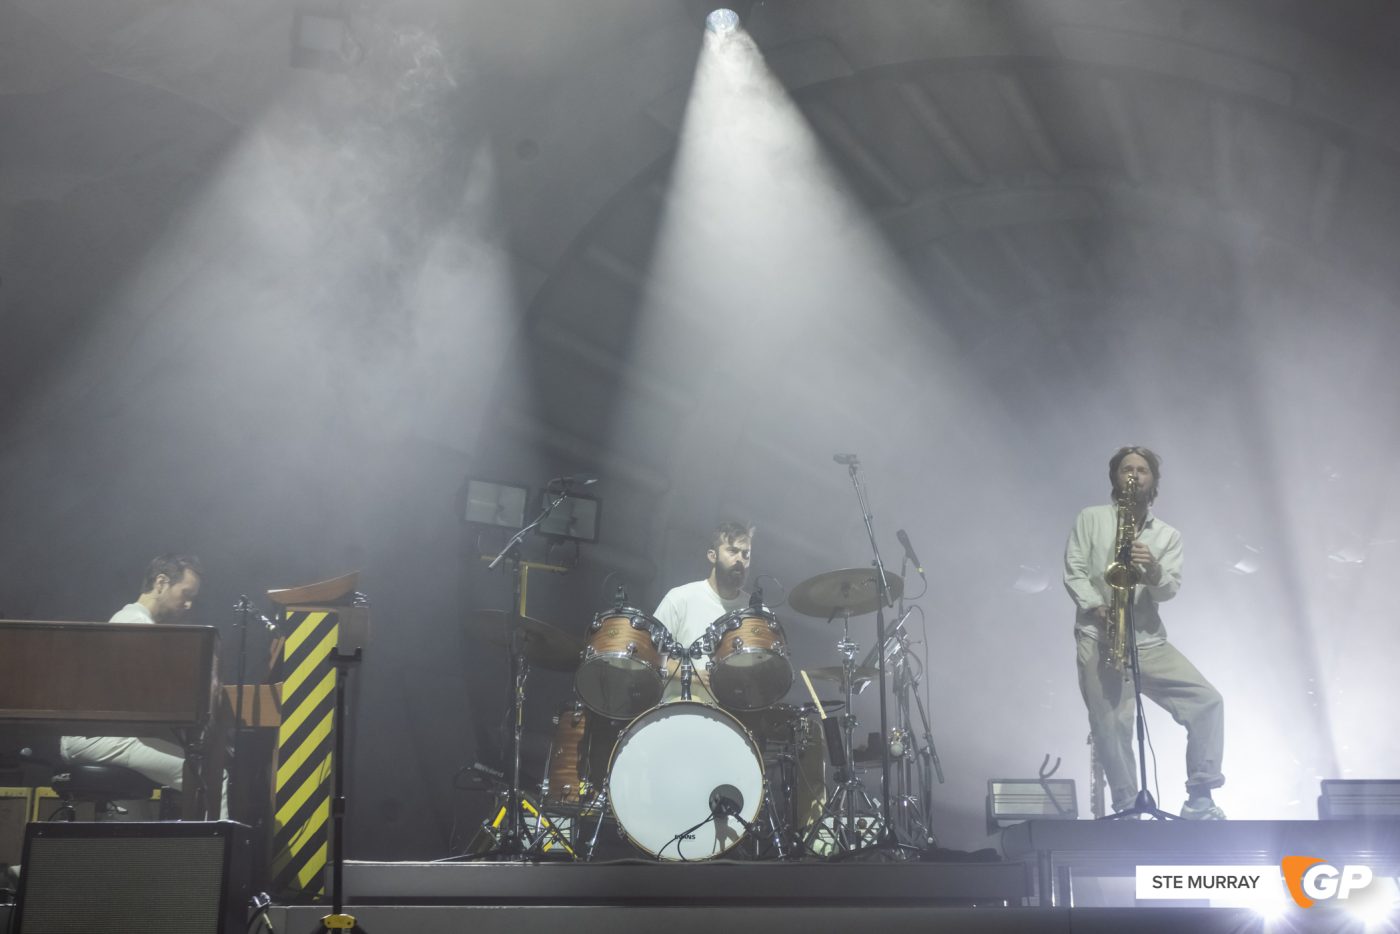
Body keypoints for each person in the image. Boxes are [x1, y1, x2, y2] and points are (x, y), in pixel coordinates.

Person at [1063, 447, 1226, 820]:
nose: (1133, 476)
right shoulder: (1090, 519)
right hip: (1099, 635)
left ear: (1153, 481)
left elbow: (1168, 592)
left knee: (1207, 702)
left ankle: (1200, 796)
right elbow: (1073, 569)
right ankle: (1127, 810)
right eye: (1126, 469)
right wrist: (1098, 607)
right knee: (1111, 724)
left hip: (1147, 640)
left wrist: (1152, 567)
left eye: (1142, 470)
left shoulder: (1168, 535)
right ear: (1115, 478)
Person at [61, 554, 203, 794]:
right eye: (185, 594)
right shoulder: (137, 624)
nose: (188, 605)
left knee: (192, 763)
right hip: (96, 738)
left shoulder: (133, 619)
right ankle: (207, 832)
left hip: (103, 735)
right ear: (161, 583)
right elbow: (153, 696)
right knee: (209, 776)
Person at [652, 520, 754, 703]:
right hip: (678, 713)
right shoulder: (680, 598)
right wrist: (693, 674)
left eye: (746, 554)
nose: (740, 559)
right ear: (712, 555)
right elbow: (650, 657)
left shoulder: (753, 611)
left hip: (732, 717)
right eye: (732, 551)